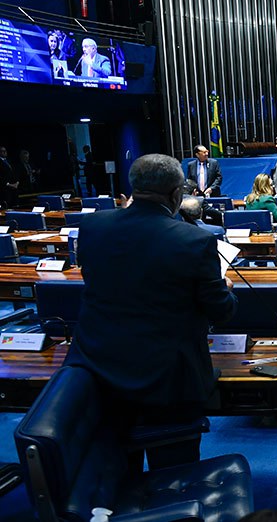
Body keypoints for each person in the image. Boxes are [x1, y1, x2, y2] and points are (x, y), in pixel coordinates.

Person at [62, 154, 237, 469]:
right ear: (176, 195)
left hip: (100, 370)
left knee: (113, 469)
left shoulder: (92, 226)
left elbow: (103, 284)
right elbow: (220, 311)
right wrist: (225, 291)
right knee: (174, 474)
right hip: (169, 381)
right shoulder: (196, 240)